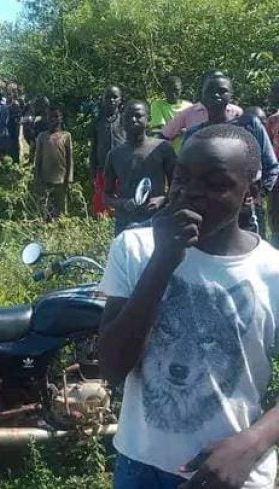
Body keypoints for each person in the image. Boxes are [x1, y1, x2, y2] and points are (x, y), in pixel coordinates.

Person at [97, 124, 279, 489]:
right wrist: (163, 260)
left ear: (251, 193)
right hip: (140, 467)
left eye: (215, 183)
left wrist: (252, 442)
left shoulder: (272, 273)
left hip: (231, 473)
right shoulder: (135, 249)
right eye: (182, 177)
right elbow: (112, 367)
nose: (191, 193)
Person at [182, 75, 279, 237]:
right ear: (202, 97)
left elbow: (271, 166)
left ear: (231, 95)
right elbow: (184, 172)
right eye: (210, 91)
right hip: (205, 210)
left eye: (222, 91)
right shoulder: (194, 134)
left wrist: (258, 195)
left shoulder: (250, 125)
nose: (216, 96)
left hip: (245, 213)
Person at [104, 101, 176, 236]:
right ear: (122, 121)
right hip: (126, 223)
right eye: (128, 117)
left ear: (148, 120)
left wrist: (162, 199)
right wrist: (122, 203)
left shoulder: (162, 148)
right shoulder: (114, 154)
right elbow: (107, 196)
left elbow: (178, 185)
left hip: (156, 219)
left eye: (138, 116)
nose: (133, 119)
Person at [161, 70, 244, 144]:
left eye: (221, 90)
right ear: (202, 89)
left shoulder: (238, 113)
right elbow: (166, 134)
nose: (216, 94)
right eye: (210, 89)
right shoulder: (188, 113)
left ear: (231, 93)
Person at [90, 85, 126, 216]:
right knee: (101, 205)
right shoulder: (98, 122)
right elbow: (94, 148)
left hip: (122, 170)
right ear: (103, 100)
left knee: (120, 204)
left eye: (115, 97)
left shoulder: (125, 121)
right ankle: (100, 230)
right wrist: (93, 170)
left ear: (120, 100)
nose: (111, 100)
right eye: (108, 97)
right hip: (102, 170)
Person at [33, 106, 74, 220]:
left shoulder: (66, 136)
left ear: (61, 118)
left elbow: (70, 159)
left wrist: (69, 178)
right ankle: (48, 226)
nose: (53, 119)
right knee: (46, 207)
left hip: (61, 180)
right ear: (46, 118)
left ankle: (62, 225)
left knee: (61, 208)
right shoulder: (42, 136)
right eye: (50, 117)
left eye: (56, 116)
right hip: (46, 179)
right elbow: (38, 159)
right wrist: (37, 177)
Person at [150, 76, 192, 151]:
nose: (173, 94)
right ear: (164, 90)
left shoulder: (189, 106)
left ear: (181, 90)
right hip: (166, 153)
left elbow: (195, 130)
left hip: (186, 153)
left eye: (176, 90)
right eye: (169, 90)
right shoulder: (157, 105)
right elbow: (162, 132)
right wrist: (181, 130)